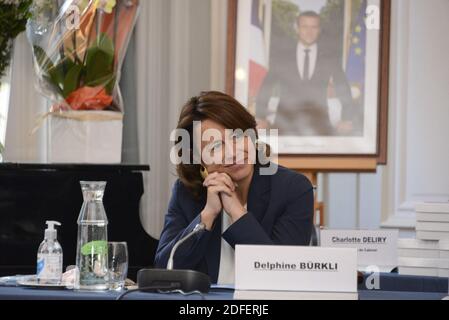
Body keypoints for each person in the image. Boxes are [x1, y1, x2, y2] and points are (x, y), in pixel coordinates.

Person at [154, 91, 314, 284]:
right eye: (215, 147)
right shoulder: (187, 191)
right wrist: (207, 216)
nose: (233, 153)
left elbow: (281, 273)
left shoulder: (292, 189)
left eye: (238, 137)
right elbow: (165, 268)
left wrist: (236, 211)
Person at [256, 11, 355, 136]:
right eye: (305, 27)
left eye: (314, 27)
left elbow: (343, 88)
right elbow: (267, 87)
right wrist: (261, 117)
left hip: (319, 125)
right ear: (297, 29)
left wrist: (346, 119)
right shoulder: (282, 56)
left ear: (319, 30)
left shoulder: (329, 57)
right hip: (284, 124)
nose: (309, 31)